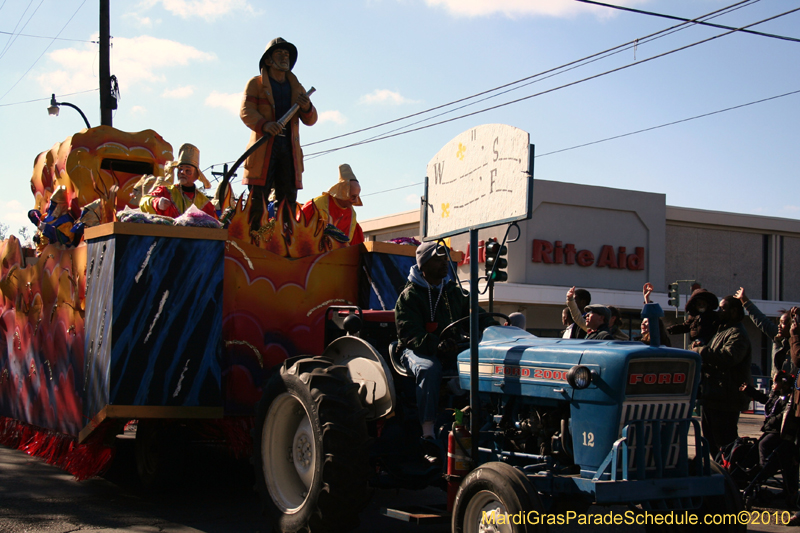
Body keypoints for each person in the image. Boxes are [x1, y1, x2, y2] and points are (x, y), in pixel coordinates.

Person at [395, 242, 497, 462]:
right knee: (429, 368)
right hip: (414, 350)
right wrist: (436, 345)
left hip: (449, 348)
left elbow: (476, 316)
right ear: (424, 265)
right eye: (439, 260)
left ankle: (481, 419)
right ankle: (428, 432)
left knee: (482, 362)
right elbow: (409, 334)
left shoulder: (454, 292)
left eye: (445, 259)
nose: (445, 264)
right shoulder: (409, 296)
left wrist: (495, 328)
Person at [241, 37, 317, 233]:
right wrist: (265, 125)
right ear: (268, 60)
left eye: (287, 55)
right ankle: (254, 236)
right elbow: (246, 111)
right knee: (258, 197)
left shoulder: (297, 89)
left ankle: (285, 238)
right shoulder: (255, 84)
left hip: (288, 149)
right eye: (279, 53)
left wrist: (306, 106)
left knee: (287, 198)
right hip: (264, 148)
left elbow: (311, 119)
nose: (285, 57)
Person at [693, 295, 752, 459]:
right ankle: (722, 472)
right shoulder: (722, 331)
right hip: (712, 396)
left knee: (725, 444)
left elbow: (729, 358)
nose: (719, 311)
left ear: (733, 312)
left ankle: (733, 477)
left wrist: (702, 351)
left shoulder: (738, 333)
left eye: (722, 308)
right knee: (711, 443)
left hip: (726, 400)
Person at [739, 371, 798, 509]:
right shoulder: (776, 396)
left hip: (779, 432)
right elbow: (765, 400)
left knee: (764, 445)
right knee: (756, 445)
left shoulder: (788, 398)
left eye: (775, 383)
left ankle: (764, 468)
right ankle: (755, 469)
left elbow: (782, 417)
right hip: (769, 430)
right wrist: (750, 391)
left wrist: (770, 422)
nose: (772, 385)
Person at [140, 143, 216, 219]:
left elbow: (214, 224)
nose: (182, 172)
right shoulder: (165, 191)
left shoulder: (205, 203)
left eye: (188, 170)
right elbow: (143, 201)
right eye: (180, 169)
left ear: (196, 175)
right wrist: (156, 202)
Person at [735, 286, 794, 376]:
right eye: (779, 322)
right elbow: (762, 321)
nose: (779, 326)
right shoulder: (778, 336)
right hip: (777, 389)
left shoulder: (796, 345)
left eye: (783, 323)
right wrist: (744, 300)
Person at [301, 164, 364, 246]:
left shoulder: (352, 214)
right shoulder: (316, 205)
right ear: (343, 192)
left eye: (357, 197)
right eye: (353, 197)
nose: (355, 201)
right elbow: (299, 232)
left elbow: (354, 246)